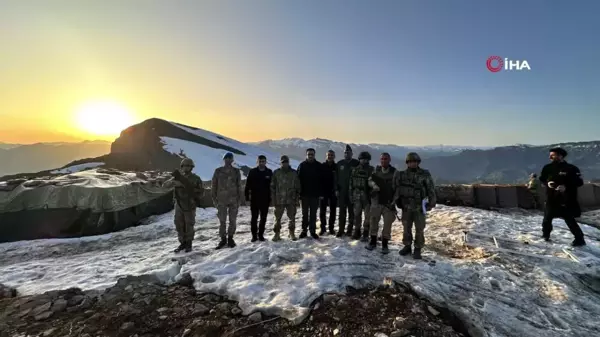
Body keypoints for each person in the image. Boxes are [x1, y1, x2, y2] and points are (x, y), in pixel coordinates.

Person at [538, 147, 585, 246]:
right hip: (551, 198)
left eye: (553, 155)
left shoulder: (571, 168)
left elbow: (580, 182)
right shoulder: (547, 168)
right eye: (550, 155)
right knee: (547, 218)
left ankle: (579, 239)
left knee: (569, 219)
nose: (550, 157)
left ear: (560, 156)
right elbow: (542, 179)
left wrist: (566, 186)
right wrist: (548, 183)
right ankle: (545, 236)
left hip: (566, 199)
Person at [393, 152, 437, 259]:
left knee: (419, 229)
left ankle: (418, 248)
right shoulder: (402, 175)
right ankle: (407, 246)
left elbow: (431, 189)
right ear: (407, 163)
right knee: (406, 228)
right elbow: (397, 189)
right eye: (411, 162)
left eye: (415, 162)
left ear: (418, 162)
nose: (413, 164)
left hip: (419, 207)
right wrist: (397, 202)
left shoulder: (424, 174)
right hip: (406, 207)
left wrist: (431, 203)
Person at [163, 158, 203, 253]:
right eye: (185, 165)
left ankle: (189, 243)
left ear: (191, 167)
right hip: (179, 204)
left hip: (189, 204)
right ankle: (182, 243)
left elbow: (201, 193)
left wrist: (183, 185)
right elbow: (164, 185)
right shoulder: (178, 177)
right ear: (182, 166)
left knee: (189, 224)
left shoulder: (196, 179)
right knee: (178, 224)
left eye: (188, 166)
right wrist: (172, 182)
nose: (186, 168)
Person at [366, 153, 397, 254]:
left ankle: (385, 244)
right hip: (377, 201)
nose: (383, 161)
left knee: (387, 224)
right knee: (374, 221)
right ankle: (373, 241)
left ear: (389, 160)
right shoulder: (377, 171)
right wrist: (374, 185)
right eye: (382, 159)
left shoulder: (394, 172)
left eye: (386, 159)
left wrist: (394, 200)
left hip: (388, 202)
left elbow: (398, 188)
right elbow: (369, 181)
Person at [212, 152, 243, 249]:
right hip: (221, 200)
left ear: (232, 160)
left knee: (232, 220)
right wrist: (214, 200)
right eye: (227, 158)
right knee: (222, 221)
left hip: (233, 200)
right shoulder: (218, 171)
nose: (228, 160)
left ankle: (230, 238)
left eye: (230, 158)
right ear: (224, 159)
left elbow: (239, 186)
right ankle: (223, 239)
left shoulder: (236, 171)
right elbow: (214, 186)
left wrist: (239, 199)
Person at [271, 155, 301, 241]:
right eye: (283, 162)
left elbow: (298, 186)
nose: (285, 163)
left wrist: (297, 197)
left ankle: (291, 233)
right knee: (277, 218)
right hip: (279, 199)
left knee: (292, 217)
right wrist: (273, 199)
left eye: (286, 162)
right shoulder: (276, 173)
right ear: (281, 162)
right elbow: (272, 186)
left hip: (291, 199)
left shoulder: (294, 173)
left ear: (288, 162)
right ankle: (277, 234)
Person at [245, 155, 273, 242]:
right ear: (257, 162)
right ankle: (254, 236)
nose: (262, 163)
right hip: (254, 199)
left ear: (265, 162)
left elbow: (272, 186)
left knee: (263, 218)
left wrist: (271, 198)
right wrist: (247, 198)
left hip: (265, 199)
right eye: (260, 161)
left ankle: (261, 235)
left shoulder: (269, 172)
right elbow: (247, 185)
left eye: (263, 161)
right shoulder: (252, 172)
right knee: (254, 218)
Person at [297, 148, 323, 239]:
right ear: (306, 155)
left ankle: (312, 231)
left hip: (315, 195)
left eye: (312, 154)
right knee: (304, 214)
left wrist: (320, 193)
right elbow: (298, 180)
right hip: (304, 195)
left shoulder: (319, 166)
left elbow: (322, 181)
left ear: (314, 155)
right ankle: (304, 231)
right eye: (309, 154)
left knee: (313, 214)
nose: (310, 156)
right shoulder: (302, 165)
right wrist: (298, 193)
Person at [349, 151, 375, 242]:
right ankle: (357, 230)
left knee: (368, 215)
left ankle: (366, 232)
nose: (364, 161)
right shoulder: (355, 170)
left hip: (367, 196)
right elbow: (351, 183)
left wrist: (372, 196)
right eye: (362, 159)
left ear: (368, 160)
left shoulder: (372, 170)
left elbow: (374, 183)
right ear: (359, 160)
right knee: (357, 214)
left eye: (366, 159)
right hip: (356, 195)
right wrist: (351, 194)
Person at [336, 145, 359, 237]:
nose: (347, 154)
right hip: (342, 191)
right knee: (342, 212)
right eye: (345, 152)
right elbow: (336, 178)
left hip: (352, 192)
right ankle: (341, 230)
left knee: (351, 212)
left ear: (352, 153)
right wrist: (336, 189)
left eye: (348, 152)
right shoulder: (339, 164)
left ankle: (349, 230)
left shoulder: (356, 163)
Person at [320, 150, 338, 235]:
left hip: (333, 192)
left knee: (333, 211)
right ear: (326, 156)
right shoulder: (322, 166)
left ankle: (331, 228)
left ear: (334, 156)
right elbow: (318, 180)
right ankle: (323, 228)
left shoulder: (336, 167)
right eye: (328, 155)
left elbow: (339, 179)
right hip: (323, 192)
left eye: (332, 155)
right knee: (322, 211)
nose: (330, 156)